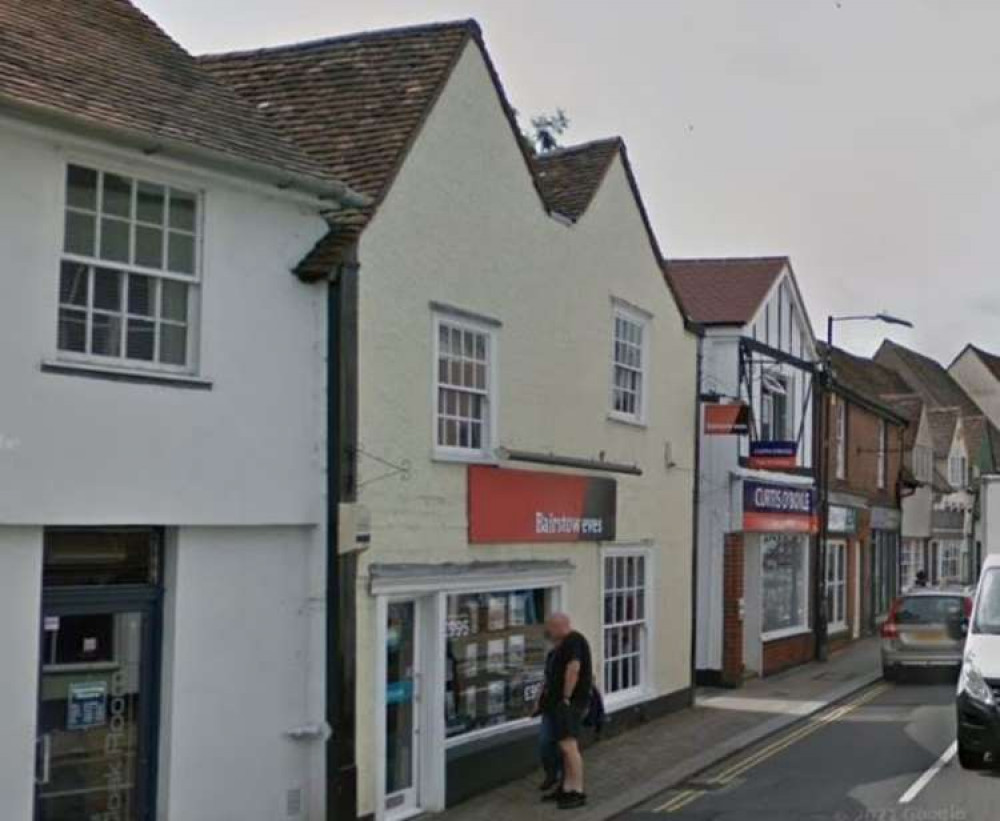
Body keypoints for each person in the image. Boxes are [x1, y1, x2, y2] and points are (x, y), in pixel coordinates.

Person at [537, 612, 593, 809]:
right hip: (557, 705)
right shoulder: (559, 649)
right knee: (563, 747)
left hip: (569, 704)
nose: (548, 632)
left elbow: (574, 668)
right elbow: (549, 680)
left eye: (550, 628)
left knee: (569, 747)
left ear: (559, 625)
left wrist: (566, 697)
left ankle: (577, 791)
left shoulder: (573, 640)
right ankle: (566, 788)